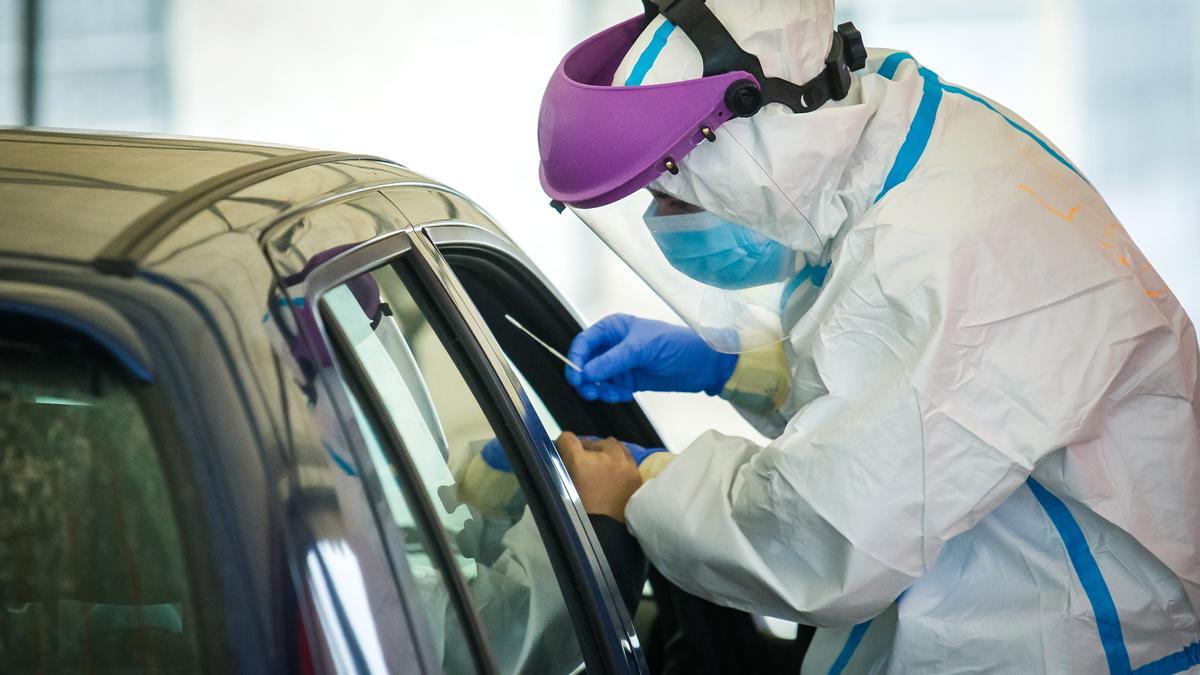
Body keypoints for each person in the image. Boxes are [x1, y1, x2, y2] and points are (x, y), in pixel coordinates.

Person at [537, 0, 1200, 672]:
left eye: (675, 199)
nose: (665, 222)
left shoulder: (937, 247)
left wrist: (636, 488)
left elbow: (824, 535)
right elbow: (887, 378)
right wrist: (734, 364)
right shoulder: (884, 139)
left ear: (747, 157)